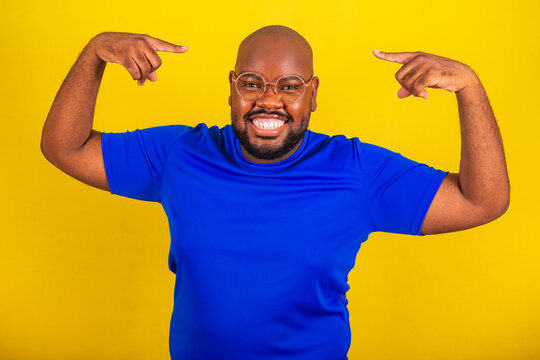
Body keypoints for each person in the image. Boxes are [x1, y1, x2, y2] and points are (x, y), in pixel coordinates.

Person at [41, 25, 510, 360]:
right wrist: (94, 53)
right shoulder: (179, 155)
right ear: (231, 89)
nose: (269, 100)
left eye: (290, 86)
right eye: (252, 84)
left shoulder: (356, 170)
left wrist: (469, 87)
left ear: (313, 93)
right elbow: (65, 147)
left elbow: (482, 201)